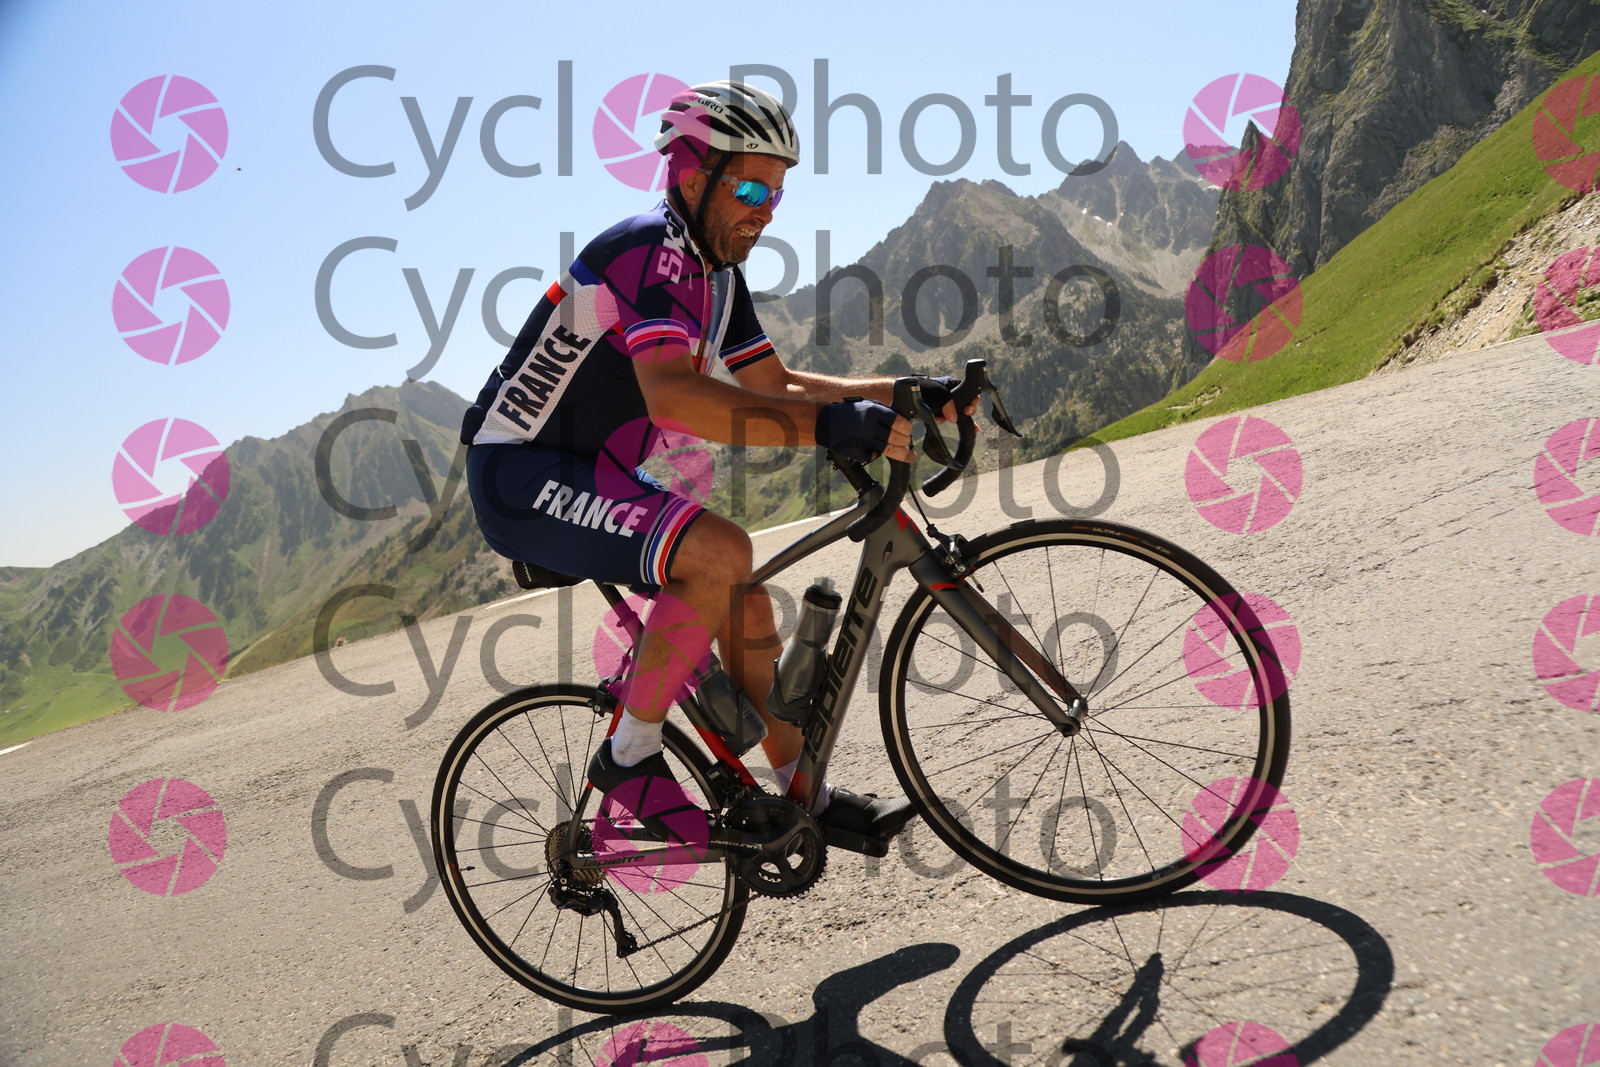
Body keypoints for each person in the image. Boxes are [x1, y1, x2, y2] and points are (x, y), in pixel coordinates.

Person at [460, 80, 965, 854]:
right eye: (752, 189)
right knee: (722, 550)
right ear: (693, 178)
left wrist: (904, 392)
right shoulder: (644, 252)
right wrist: (831, 427)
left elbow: (776, 386)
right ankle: (630, 756)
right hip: (519, 473)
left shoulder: (716, 277)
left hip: (590, 472)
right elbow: (673, 396)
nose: (768, 211)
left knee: (747, 599)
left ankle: (805, 794)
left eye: (778, 193)